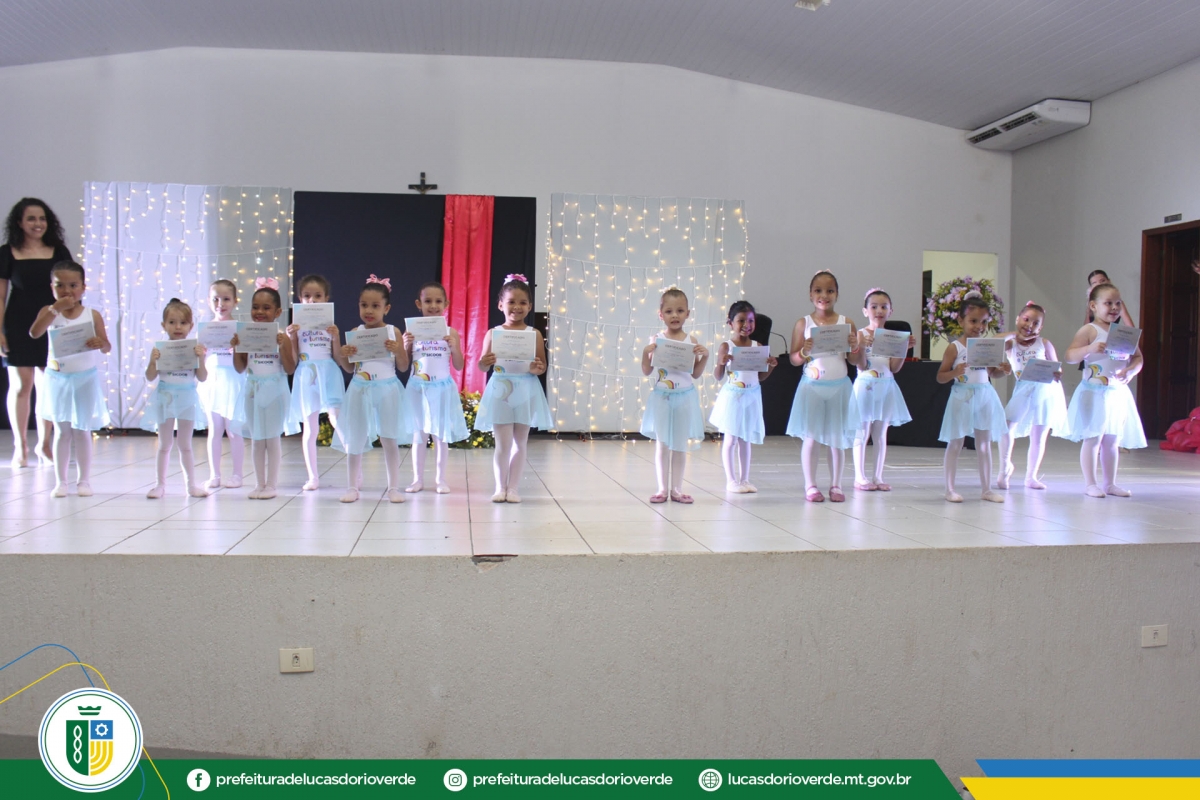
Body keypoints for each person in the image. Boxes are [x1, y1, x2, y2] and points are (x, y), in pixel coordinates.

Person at [28, 260, 111, 497]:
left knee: (82, 430)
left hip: (84, 379)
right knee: (62, 431)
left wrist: (100, 343)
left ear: (83, 288)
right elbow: (34, 333)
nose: (67, 291)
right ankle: (61, 481)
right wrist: (55, 309)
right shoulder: (48, 312)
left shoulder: (91, 314)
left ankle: (84, 480)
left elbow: (106, 346)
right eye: (60, 285)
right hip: (58, 379)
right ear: (52, 287)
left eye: (73, 285)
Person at [1, 198, 70, 467]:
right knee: (21, 385)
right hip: (17, 323)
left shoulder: (59, 251)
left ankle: (44, 445)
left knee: (48, 385)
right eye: (31, 218)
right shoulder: (7, 252)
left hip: (53, 323)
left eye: (42, 218)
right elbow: (0, 296)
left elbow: (70, 290)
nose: (37, 223)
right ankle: (20, 447)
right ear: (19, 222)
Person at [1064, 283, 1147, 497]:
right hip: (1093, 392)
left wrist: (1131, 371)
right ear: (1093, 306)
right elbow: (1070, 356)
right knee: (1093, 437)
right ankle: (1091, 483)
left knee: (1112, 439)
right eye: (1108, 303)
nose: (1114, 308)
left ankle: (1110, 483)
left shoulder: (1124, 333)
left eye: (1118, 303)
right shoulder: (1089, 330)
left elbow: (1138, 358)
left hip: (1117, 393)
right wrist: (1088, 349)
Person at [333, 276, 409, 504]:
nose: (369, 310)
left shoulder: (393, 332)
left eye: (375, 306)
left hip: (387, 389)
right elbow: (349, 368)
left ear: (386, 308)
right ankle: (352, 486)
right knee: (355, 437)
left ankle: (393, 487)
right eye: (364, 305)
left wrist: (398, 349)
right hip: (360, 389)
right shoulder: (356, 331)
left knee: (389, 438)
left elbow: (403, 366)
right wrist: (344, 354)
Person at [477, 275, 552, 503]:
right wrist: (485, 362)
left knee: (520, 442)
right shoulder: (493, 333)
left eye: (522, 302)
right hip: (501, 389)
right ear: (500, 304)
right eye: (511, 302)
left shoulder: (534, 334)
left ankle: (514, 488)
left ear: (529, 306)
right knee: (503, 443)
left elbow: (541, 366)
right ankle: (500, 487)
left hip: (526, 390)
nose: (516, 307)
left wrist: (537, 368)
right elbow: (482, 365)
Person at [786, 270, 860, 503]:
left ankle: (836, 484)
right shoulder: (803, 323)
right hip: (812, 387)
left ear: (837, 294)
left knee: (837, 438)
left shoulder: (846, 322)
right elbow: (793, 359)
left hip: (840, 387)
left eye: (829, 291)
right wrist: (804, 351)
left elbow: (854, 361)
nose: (824, 296)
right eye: (818, 290)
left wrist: (855, 347)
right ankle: (810, 485)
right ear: (810, 294)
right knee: (812, 437)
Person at [937, 290, 1010, 503]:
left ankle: (986, 489)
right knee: (956, 443)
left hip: (985, 396)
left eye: (984, 322)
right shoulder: (955, 348)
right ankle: (950, 489)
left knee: (984, 444)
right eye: (973, 321)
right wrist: (955, 372)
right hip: (962, 396)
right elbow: (940, 377)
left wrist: (1003, 370)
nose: (979, 326)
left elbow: (991, 373)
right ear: (961, 321)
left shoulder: (986, 347)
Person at [639, 287, 709, 503]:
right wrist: (645, 353)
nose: (675, 315)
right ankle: (662, 489)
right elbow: (647, 371)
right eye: (669, 311)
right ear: (661, 315)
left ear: (688, 313)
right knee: (663, 443)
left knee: (679, 444)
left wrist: (704, 357)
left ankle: (677, 489)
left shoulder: (691, 340)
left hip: (685, 397)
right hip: (662, 397)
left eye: (680, 311)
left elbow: (695, 374)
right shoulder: (657, 339)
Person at [231, 278, 297, 500]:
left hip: (275, 389)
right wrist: (236, 348)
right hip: (252, 388)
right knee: (257, 438)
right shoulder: (246, 335)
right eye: (255, 307)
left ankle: (272, 484)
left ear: (277, 312)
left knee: (272, 438)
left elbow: (289, 368)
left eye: (266, 308)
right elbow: (240, 368)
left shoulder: (282, 337)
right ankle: (259, 483)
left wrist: (282, 346)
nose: (259, 312)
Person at [402, 281, 468, 494]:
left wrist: (454, 348)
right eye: (427, 301)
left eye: (438, 301)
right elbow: (403, 364)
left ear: (446, 304)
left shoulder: (450, 332)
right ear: (418, 304)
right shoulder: (411, 331)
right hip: (417, 387)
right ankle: (417, 479)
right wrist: (405, 346)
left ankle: (440, 479)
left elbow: (459, 365)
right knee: (418, 436)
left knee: (440, 436)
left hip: (441, 388)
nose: (433, 306)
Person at [996, 302, 1068, 490]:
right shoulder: (1011, 343)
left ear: (1040, 327)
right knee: (1006, 427)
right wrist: (1015, 334)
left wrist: (1057, 373)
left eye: (1036, 323)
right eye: (1026, 320)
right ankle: (1005, 467)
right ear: (1018, 319)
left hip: (1045, 390)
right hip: (1023, 389)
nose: (1029, 325)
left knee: (1039, 434)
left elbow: (1057, 366)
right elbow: (995, 341)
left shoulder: (1044, 343)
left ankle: (1031, 476)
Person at [142, 299, 209, 498]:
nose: (178, 327)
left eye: (183, 323)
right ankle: (160, 485)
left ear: (191, 325)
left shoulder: (194, 348)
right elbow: (150, 376)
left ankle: (191, 485)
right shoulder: (160, 349)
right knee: (164, 444)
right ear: (164, 325)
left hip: (187, 397)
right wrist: (153, 361)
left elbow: (202, 377)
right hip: (165, 397)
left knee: (185, 444)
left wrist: (201, 359)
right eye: (172, 322)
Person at [851, 288, 915, 492]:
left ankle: (878, 476)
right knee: (862, 431)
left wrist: (903, 349)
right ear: (865, 311)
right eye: (874, 306)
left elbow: (894, 368)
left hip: (886, 386)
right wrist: (861, 346)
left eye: (884, 307)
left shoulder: (893, 337)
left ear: (890, 311)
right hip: (866, 386)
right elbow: (861, 365)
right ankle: (859, 476)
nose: (879, 311)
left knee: (880, 433)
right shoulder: (860, 334)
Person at [710, 300, 776, 493]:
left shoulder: (758, 346)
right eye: (741, 320)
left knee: (745, 439)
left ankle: (745, 479)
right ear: (730, 323)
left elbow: (760, 376)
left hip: (752, 396)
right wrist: (721, 363)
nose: (747, 325)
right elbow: (718, 376)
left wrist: (771, 366)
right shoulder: (727, 346)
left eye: (751, 320)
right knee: (731, 439)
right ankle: (731, 480)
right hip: (734, 397)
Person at [287, 274, 344, 491]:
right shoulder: (296, 327)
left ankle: (354, 471)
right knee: (310, 428)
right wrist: (291, 338)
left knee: (337, 420)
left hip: (328, 372)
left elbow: (338, 357)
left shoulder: (330, 326)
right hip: (306, 374)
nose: (312, 300)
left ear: (326, 298)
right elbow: (293, 360)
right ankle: (312, 476)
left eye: (318, 296)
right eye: (307, 296)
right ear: (300, 299)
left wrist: (336, 337)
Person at [198, 279, 246, 489]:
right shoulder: (206, 329)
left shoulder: (239, 329)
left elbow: (244, 360)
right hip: (213, 380)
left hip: (234, 379)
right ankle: (214, 474)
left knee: (233, 429)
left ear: (235, 301)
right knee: (214, 429)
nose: (221, 304)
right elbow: (202, 357)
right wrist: (200, 353)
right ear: (208, 301)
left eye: (226, 299)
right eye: (216, 299)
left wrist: (238, 347)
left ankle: (237, 474)